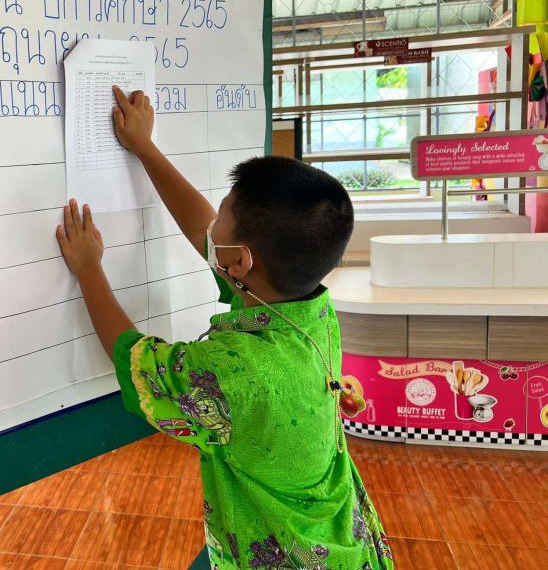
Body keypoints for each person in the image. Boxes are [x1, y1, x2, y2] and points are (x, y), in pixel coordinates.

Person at [55, 86, 393, 570]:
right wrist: (145, 147)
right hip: (343, 538)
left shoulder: (233, 373)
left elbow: (137, 361)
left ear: (240, 262)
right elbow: (205, 232)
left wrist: (89, 268)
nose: (212, 226)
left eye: (223, 221)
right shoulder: (308, 308)